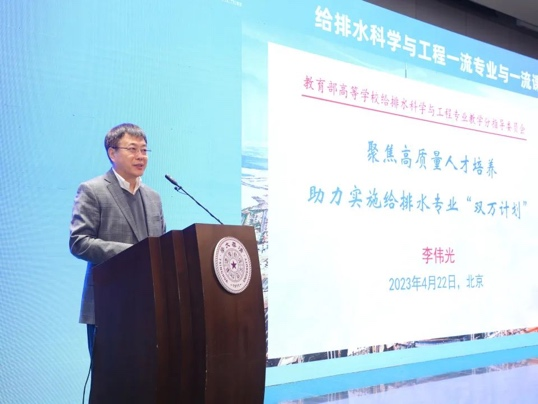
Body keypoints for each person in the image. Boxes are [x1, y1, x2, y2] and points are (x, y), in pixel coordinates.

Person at [69, 123, 166, 356]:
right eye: (132, 149)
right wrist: (132, 253)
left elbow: (161, 248)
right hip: (108, 304)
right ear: (112, 153)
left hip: (150, 307)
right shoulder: (93, 190)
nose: (140, 156)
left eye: (144, 150)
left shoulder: (153, 197)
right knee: (111, 376)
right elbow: (79, 242)